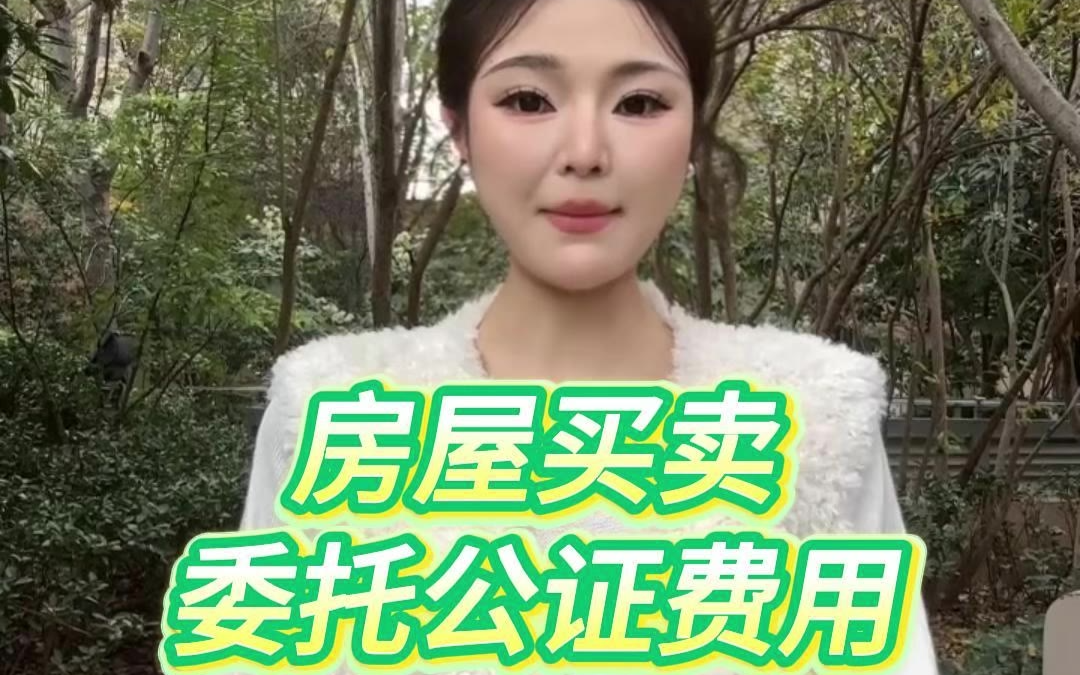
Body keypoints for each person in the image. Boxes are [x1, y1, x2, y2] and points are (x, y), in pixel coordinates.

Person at [238, 0, 940, 673]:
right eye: (527, 100)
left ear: (692, 134)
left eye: (639, 103)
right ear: (459, 131)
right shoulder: (333, 415)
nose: (584, 153)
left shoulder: (812, 422)